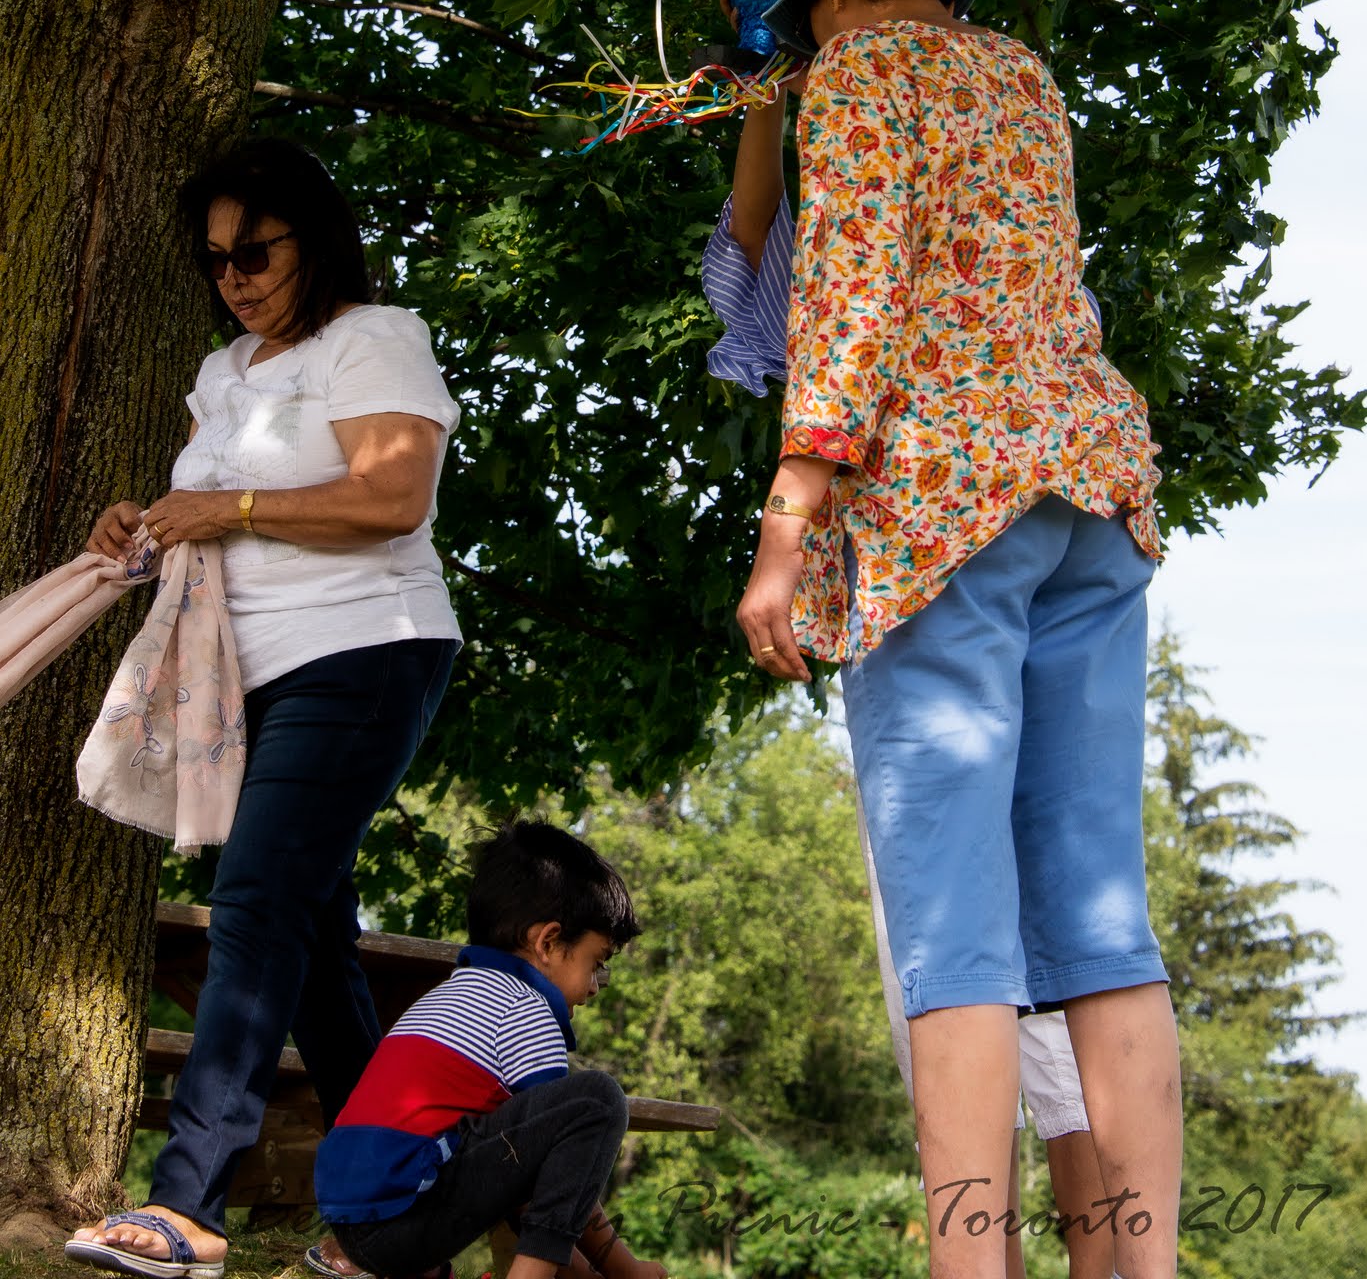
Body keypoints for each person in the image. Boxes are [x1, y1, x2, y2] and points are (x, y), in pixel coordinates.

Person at [733, 0, 1183, 1279]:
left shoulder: (856, 74)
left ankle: (968, 1265)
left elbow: (849, 289)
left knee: (952, 930)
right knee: (1100, 916)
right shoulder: (1022, 77)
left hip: (941, 506)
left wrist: (787, 520)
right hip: (1088, 485)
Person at [703, 68, 1116, 1279]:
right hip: (999, 544)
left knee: (1005, 965)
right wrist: (764, 95)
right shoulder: (952, 165)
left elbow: (820, 309)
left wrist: (782, 534)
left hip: (935, 548)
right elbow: (748, 242)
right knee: (991, 961)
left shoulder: (905, 186)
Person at [68, 139, 462, 1279]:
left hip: (365, 651)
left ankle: (187, 1205)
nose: (233, 277)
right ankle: (399, 1222)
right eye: (215, 260)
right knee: (313, 940)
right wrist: (142, 527)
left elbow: (393, 495)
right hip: (252, 675)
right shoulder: (225, 368)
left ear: (313, 239)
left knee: (251, 901)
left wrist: (226, 506)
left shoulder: (372, 337)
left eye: (255, 252)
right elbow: (209, 512)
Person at [314, 819, 667, 1279]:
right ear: (548, 942)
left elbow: (519, 1173)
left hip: (356, 1224)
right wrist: (627, 1269)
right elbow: (547, 1171)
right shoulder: (525, 1007)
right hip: (401, 1222)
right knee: (598, 1101)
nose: (595, 987)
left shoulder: (450, 995)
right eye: (595, 963)